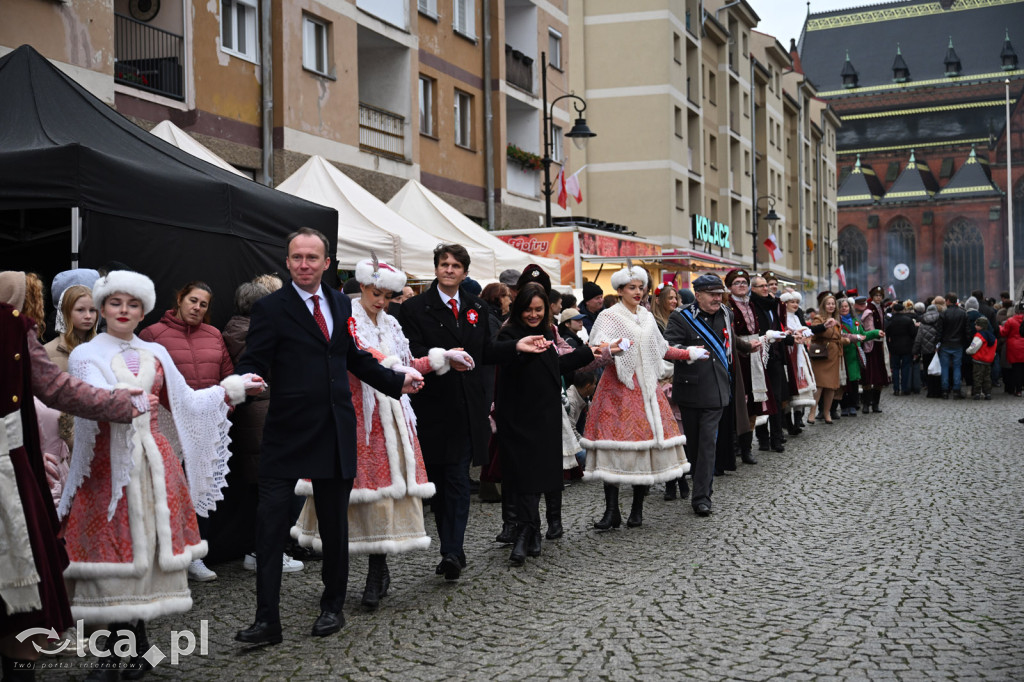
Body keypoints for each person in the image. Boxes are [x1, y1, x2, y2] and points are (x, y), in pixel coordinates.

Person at [58, 270, 251, 678]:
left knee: (146, 551)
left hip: (154, 464)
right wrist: (121, 398)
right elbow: (91, 397)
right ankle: (112, 653)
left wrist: (229, 388)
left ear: (143, 309)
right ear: (103, 308)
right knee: (114, 553)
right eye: (115, 303)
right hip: (107, 468)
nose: (123, 311)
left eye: (132, 304)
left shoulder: (155, 352)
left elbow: (188, 401)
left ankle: (140, 645)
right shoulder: (86, 354)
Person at [234, 228, 419, 646]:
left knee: (335, 527)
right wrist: (239, 383)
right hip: (286, 431)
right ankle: (267, 621)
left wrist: (395, 382)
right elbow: (253, 359)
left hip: (336, 429)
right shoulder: (271, 308)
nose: (304, 264)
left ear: (327, 263)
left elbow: (352, 358)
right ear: (287, 262)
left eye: (312, 258)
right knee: (269, 527)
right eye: (297, 257)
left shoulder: (339, 302)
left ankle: (332, 607)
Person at [291, 257, 473, 607]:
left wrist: (441, 359)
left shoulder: (392, 323)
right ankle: (340, 577)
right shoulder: (345, 317)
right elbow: (356, 357)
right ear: (363, 286)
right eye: (377, 293)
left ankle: (378, 570)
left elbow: (407, 362)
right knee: (346, 497)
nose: (382, 301)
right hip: (354, 416)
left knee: (385, 496)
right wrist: (390, 368)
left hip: (392, 418)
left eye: (388, 296)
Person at [0, 275, 146, 681]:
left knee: (19, 591)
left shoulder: (13, 328)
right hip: (8, 473)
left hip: (10, 473)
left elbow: (60, 389)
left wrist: (119, 402)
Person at [400, 244, 546, 581]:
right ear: (436, 268)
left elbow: (487, 351)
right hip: (432, 405)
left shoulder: (477, 307)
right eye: (443, 264)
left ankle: (453, 550)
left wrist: (517, 346)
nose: (449, 270)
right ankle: (449, 544)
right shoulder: (415, 308)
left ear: (465, 271)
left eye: (455, 265)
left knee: (457, 480)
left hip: (467, 407)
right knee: (439, 481)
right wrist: (441, 356)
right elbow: (410, 350)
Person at [582, 265, 702, 528]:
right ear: (620, 290)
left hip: (648, 388)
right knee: (611, 449)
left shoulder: (648, 318)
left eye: (641, 287)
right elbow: (594, 350)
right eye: (632, 287)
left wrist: (687, 353)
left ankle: (637, 510)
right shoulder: (608, 316)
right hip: (617, 389)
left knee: (644, 449)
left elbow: (661, 348)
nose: (638, 292)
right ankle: (611, 511)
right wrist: (609, 350)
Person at [139, 281, 235, 582]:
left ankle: (196, 557)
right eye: (193, 301)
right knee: (165, 492)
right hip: (167, 426)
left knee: (201, 490)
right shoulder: (152, 335)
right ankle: (162, 558)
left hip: (205, 426)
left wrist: (224, 407)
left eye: (204, 304)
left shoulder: (214, 335)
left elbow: (228, 376)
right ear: (179, 300)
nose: (197, 308)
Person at [495, 282, 594, 565]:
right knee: (522, 478)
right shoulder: (510, 333)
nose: (534, 314)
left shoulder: (546, 332)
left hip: (544, 416)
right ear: (519, 308)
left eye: (539, 309)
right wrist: (518, 348)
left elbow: (555, 366)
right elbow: (495, 353)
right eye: (529, 309)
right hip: (517, 416)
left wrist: (591, 352)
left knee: (537, 477)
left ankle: (532, 533)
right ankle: (528, 532)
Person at [216, 280, 300, 572]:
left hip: (253, 415)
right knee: (273, 489)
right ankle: (265, 552)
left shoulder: (231, 329)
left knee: (263, 489)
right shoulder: (254, 332)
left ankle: (262, 549)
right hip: (264, 414)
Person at [665, 274, 734, 517]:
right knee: (693, 446)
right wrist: (687, 352)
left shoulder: (726, 314)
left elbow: (730, 344)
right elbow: (667, 348)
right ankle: (693, 481)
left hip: (716, 392)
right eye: (713, 294)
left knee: (707, 445)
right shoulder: (681, 317)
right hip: (691, 390)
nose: (718, 298)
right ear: (698, 295)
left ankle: (702, 497)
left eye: (720, 294)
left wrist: (756, 343)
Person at [806, 293, 847, 425]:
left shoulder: (837, 321)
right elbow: (815, 332)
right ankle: (812, 412)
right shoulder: (819, 318)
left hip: (834, 355)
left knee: (831, 387)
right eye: (828, 304)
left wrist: (848, 339)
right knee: (819, 385)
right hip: (822, 355)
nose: (831, 306)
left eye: (833, 304)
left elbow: (837, 337)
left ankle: (827, 412)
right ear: (824, 305)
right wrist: (826, 325)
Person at [838, 297, 879, 417]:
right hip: (843, 356)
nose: (844, 308)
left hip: (854, 356)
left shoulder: (855, 322)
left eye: (846, 306)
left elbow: (863, 335)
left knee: (854, 382)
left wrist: (876, 333)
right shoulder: (837, 322)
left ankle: (853, 405)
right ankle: (844, 406)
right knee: (844, 383)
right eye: (842, 307)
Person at [857, 287, 890, 413]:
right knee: (868, 376)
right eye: (876, 295)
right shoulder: (869, 310)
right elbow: (869, 328)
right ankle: (866, 404)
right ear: (872, 296)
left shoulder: (880, 308)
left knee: (879, 376)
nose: (878, 297)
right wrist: (875, 334)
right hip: (870, 346)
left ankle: (875, 404)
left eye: (880, 295)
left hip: (879, 346)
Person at [935, 292, 968, 399]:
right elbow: (967, 330)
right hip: (958, 344)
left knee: (944, 367)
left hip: (945, 344)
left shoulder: (943, 314)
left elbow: (939, 331)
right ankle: (957, 390)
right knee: (957, 367)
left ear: (948, 300)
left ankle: (944, 391)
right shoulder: (963, 313)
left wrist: (937, 343)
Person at [886, 301, 918, 396]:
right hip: (907, 347)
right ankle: (905, 388)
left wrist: (889, 346)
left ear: (893, 310)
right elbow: (913, 334)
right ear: (903, 310)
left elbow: (887, 335)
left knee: (895, 368)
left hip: (894, 347)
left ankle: (896, 389)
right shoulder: (908, 320)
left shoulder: (890, 321)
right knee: (905, 368)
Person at [966, 317, 996, 400]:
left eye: (977, 324)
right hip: (988, 360)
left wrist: (967, 351)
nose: (975, 326)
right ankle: (988, 393)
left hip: (978, 360)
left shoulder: (979, 335)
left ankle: (977, 393)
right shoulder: (992, 336)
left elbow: (973, 348)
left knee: (977, 377)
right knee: (987, 378)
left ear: (981, 326)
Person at [999, 302, 1024, 397]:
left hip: (1014, 348)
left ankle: (1017, 390)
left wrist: (1000, 327)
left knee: (1016, 369)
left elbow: (1004, 333)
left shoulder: (1010, 321)